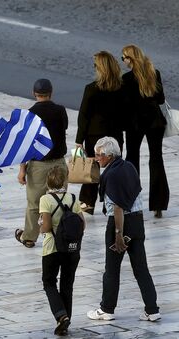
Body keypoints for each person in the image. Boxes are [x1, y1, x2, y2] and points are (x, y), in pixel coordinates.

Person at [86, 137, 160, 322]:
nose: (97, 158)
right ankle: (152, 310)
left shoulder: (111, 175)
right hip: (137, 223)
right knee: (141, 269)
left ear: (109, 155)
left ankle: (106, 309)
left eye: (99, 155)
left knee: (111, 270)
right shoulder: (129, 167)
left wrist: (118, 235)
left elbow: (117, 207)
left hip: (119, 224)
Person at [16, 79, 68, 248]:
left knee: (34, 203)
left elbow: (25, 143)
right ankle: (59, 233)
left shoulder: (30, 114)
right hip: (59, 163)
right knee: (59, 200)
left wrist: (22, 169)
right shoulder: (60, 111)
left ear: (34, 93)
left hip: (38, 165)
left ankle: (29, 237)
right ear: (51, 93)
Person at [121, 44, 168, 219]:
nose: (123, 61)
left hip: (135, 124)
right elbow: (161, 99)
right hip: (155, 122)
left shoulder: (126, 79)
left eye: (123, 58)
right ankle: (159, 204)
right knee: (156, 159)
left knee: (132, 159)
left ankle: (132, 200)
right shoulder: (154, 73)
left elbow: (124, 104)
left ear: (130, 59)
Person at [75, 51, 125, 215]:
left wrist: (78, 140)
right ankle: (111, 203)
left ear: (101, 68)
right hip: (115, 135)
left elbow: (84, 116)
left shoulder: (91, 89)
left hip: (94, 135)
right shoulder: (122, 88)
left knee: (92, 169)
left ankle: (87, 203)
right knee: (114, 169)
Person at [39, 166, 85, 336]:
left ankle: (61, 315)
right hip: (72, 249)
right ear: (65, 182)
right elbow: (82, 224)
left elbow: (47, 226)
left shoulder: (46, 199)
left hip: (52, 248)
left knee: (49, 282)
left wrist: (40, 227)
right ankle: (66, 319)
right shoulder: (73, 198)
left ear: (48, 182)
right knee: (67, 284)